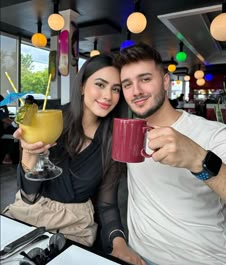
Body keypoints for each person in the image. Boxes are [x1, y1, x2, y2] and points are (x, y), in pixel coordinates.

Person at [2, 54, 144, 265]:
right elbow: (30, 196)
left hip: (74, 226)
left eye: (115, 89)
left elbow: (107, 205)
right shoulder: (51, 121)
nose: (108, 96)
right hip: (28, 216)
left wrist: (119, 242)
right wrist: (30, 156)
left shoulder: (112, 140)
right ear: (81, 87)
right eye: (100, 84)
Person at [114, 43, 226, 265]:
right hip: (139, 256)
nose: (136, 91)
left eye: (145, 79)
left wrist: (199, 159)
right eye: (127, 84)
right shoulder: (129, 133)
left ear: (166, 82)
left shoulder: (213, 133)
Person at [0, 94, 18, 164]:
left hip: (4, 127)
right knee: (14, 133)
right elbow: (4, 119)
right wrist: (15, 124)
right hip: (2, 129)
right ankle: (7, 157)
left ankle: (7, 156)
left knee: (13, 132)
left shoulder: (3, 106)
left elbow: (5, 118)